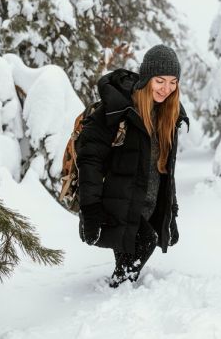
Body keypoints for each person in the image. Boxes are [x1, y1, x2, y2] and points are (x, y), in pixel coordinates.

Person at [76, 44, 188, 287]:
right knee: (144, 244)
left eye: (172, 82)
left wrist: (172, 212)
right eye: (159, 80)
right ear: (147, 77)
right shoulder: (118, 108)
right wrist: (90, 210)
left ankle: (115, 298)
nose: (166, 88)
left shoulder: (169, 115)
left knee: (128, 268)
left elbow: (166, 171)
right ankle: (112, 302)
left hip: (146, 205)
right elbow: (90, 159)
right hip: (118, 204)